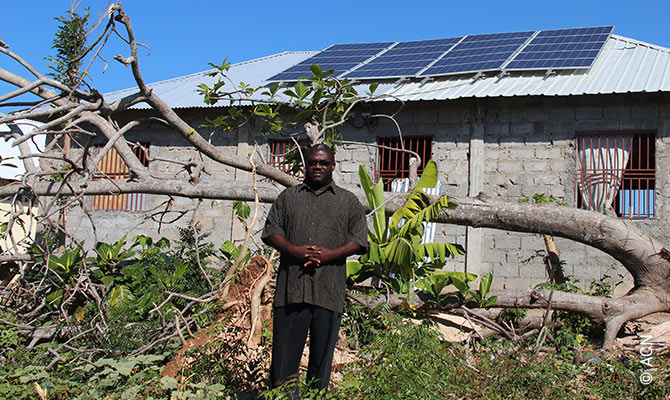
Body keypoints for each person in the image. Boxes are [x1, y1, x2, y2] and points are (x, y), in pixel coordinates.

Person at [262, 143, 368, 395]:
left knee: (321, 363)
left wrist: (331, 254)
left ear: (333, 166)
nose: (317, 167)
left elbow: (359, 240)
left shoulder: (348, 202)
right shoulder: (288, 198)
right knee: (283, 361)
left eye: (323, 163)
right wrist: (294, 250)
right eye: (313, 163)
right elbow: (271, 231)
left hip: (328, 291)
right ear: (306, 166)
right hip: (292, 291)